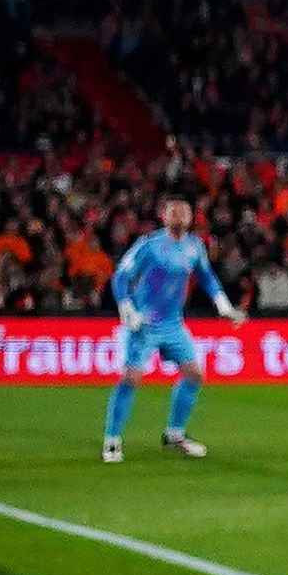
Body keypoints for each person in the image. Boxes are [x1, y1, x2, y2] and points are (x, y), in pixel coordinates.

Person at [104, 195, 240, 463]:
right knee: (130, 378)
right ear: (163, 217)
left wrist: (224, 306)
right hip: (144, 323)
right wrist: (126, 308)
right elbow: (121, 275)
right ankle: (112, 440)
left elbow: (206, 277)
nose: (179, 217)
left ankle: (175, 434)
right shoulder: (150, 245)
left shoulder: (194, 246)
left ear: (191, 218)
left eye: (184, 212)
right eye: (173, 212)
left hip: (173, 324)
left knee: (194, 373)